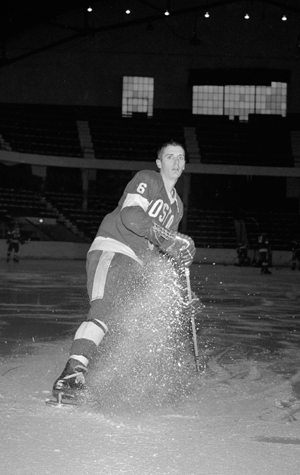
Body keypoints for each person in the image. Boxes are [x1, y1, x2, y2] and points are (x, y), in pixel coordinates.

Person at [51, 140, 196, 403]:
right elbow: (131, 216)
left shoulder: (177, 207)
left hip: (137, 264)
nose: (176, 162)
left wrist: (182, 294)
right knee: (103, 311)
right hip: (114, 249)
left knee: (125, 322)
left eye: (181, 157)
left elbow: (163, 254)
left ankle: (86, 374)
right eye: (170, 157)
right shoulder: (147, 179)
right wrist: (169, 239)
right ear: (159, 162)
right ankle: (70, 374)